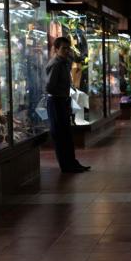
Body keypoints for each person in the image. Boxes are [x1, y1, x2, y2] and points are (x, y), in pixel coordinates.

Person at [45, 37, 90, 173]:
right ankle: (66, 165)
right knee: (60, 135)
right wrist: (62, 94)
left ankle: (72, 162)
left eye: (67, 48)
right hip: (56, 102)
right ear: (56, 49)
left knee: (67, 134)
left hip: (63, 101)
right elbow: (49, 87)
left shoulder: (65, 62)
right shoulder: (56, 64)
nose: (66, 50)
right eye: (63, 48)